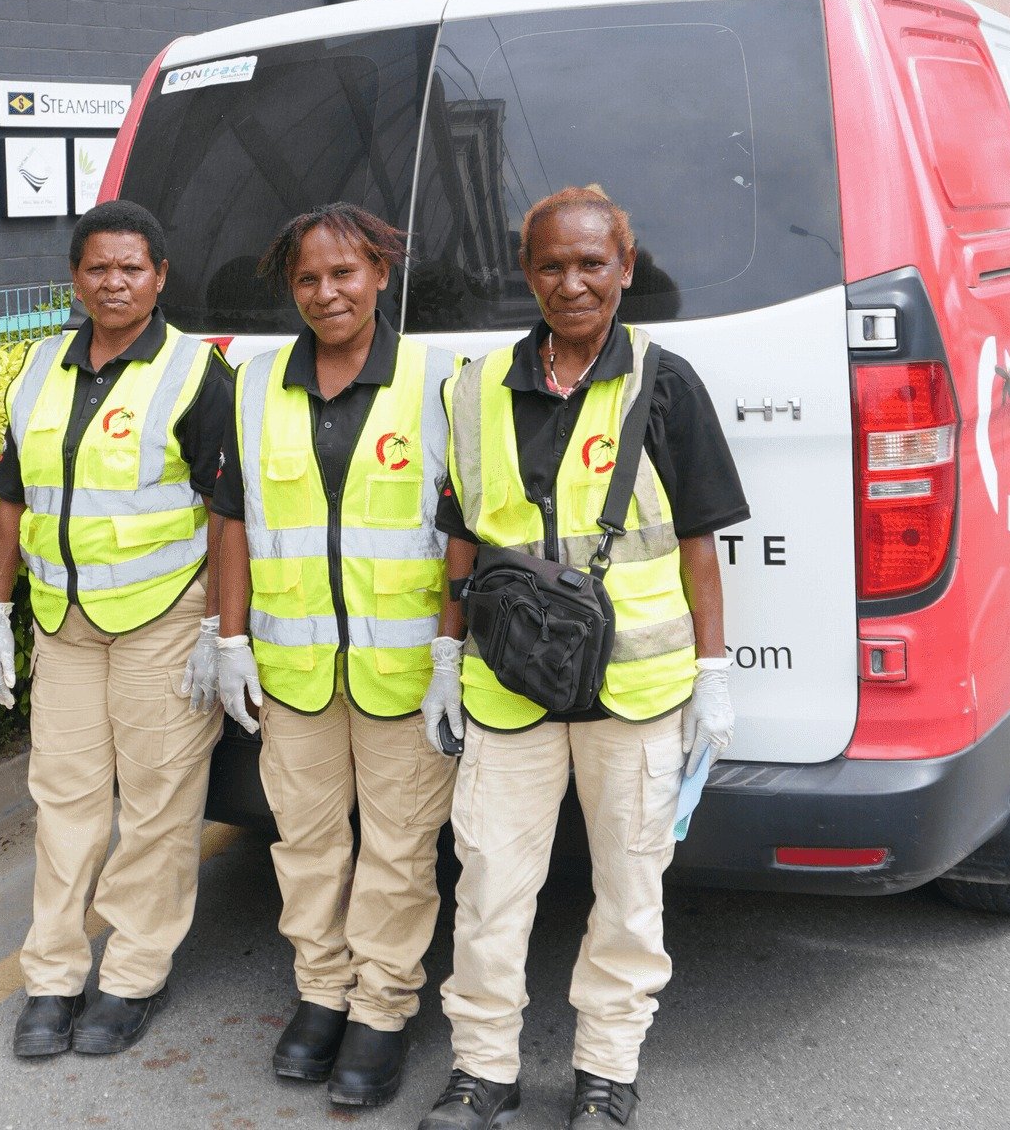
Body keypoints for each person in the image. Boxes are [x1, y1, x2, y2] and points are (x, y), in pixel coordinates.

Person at [417, 186, 748, 1130]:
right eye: (552, 265)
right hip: (508, 686)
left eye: (592, 264)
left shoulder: (665, 383)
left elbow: (697, 544)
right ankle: (482, 1071)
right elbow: (461, 541)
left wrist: (712, 675)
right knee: (489, 887)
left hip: (635, 693)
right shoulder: (476, 387)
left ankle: (606, 1071)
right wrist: (446, 655)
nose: (573, 283)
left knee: (629, 893)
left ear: (625, 268)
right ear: (527, 274)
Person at [215, 203, 458, 1110]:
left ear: (381, 276)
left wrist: (450, 651)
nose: (327, 293)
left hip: (405, 675)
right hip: (295, 673)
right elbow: (231, 521)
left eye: (344, 273)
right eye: (308, 279)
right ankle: (321, 991)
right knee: (308, 843)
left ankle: (382, 1008)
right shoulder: (253, 386)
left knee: (399, 850)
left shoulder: (438, 383)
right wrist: (228, 639)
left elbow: (464, 530)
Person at [0, 200, 232, 1060]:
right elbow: (13, 498)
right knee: (65, 802)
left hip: (165, 618)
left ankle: (132, 975)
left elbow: (226, 509)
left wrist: (218, 629)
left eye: (131, 268)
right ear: (75, 279)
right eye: (98, 268)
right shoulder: (39, 366)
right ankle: (52, 976)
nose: (114, 282)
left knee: (158, 804)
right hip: (64, 621)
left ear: (160, 277)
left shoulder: (195, 372)